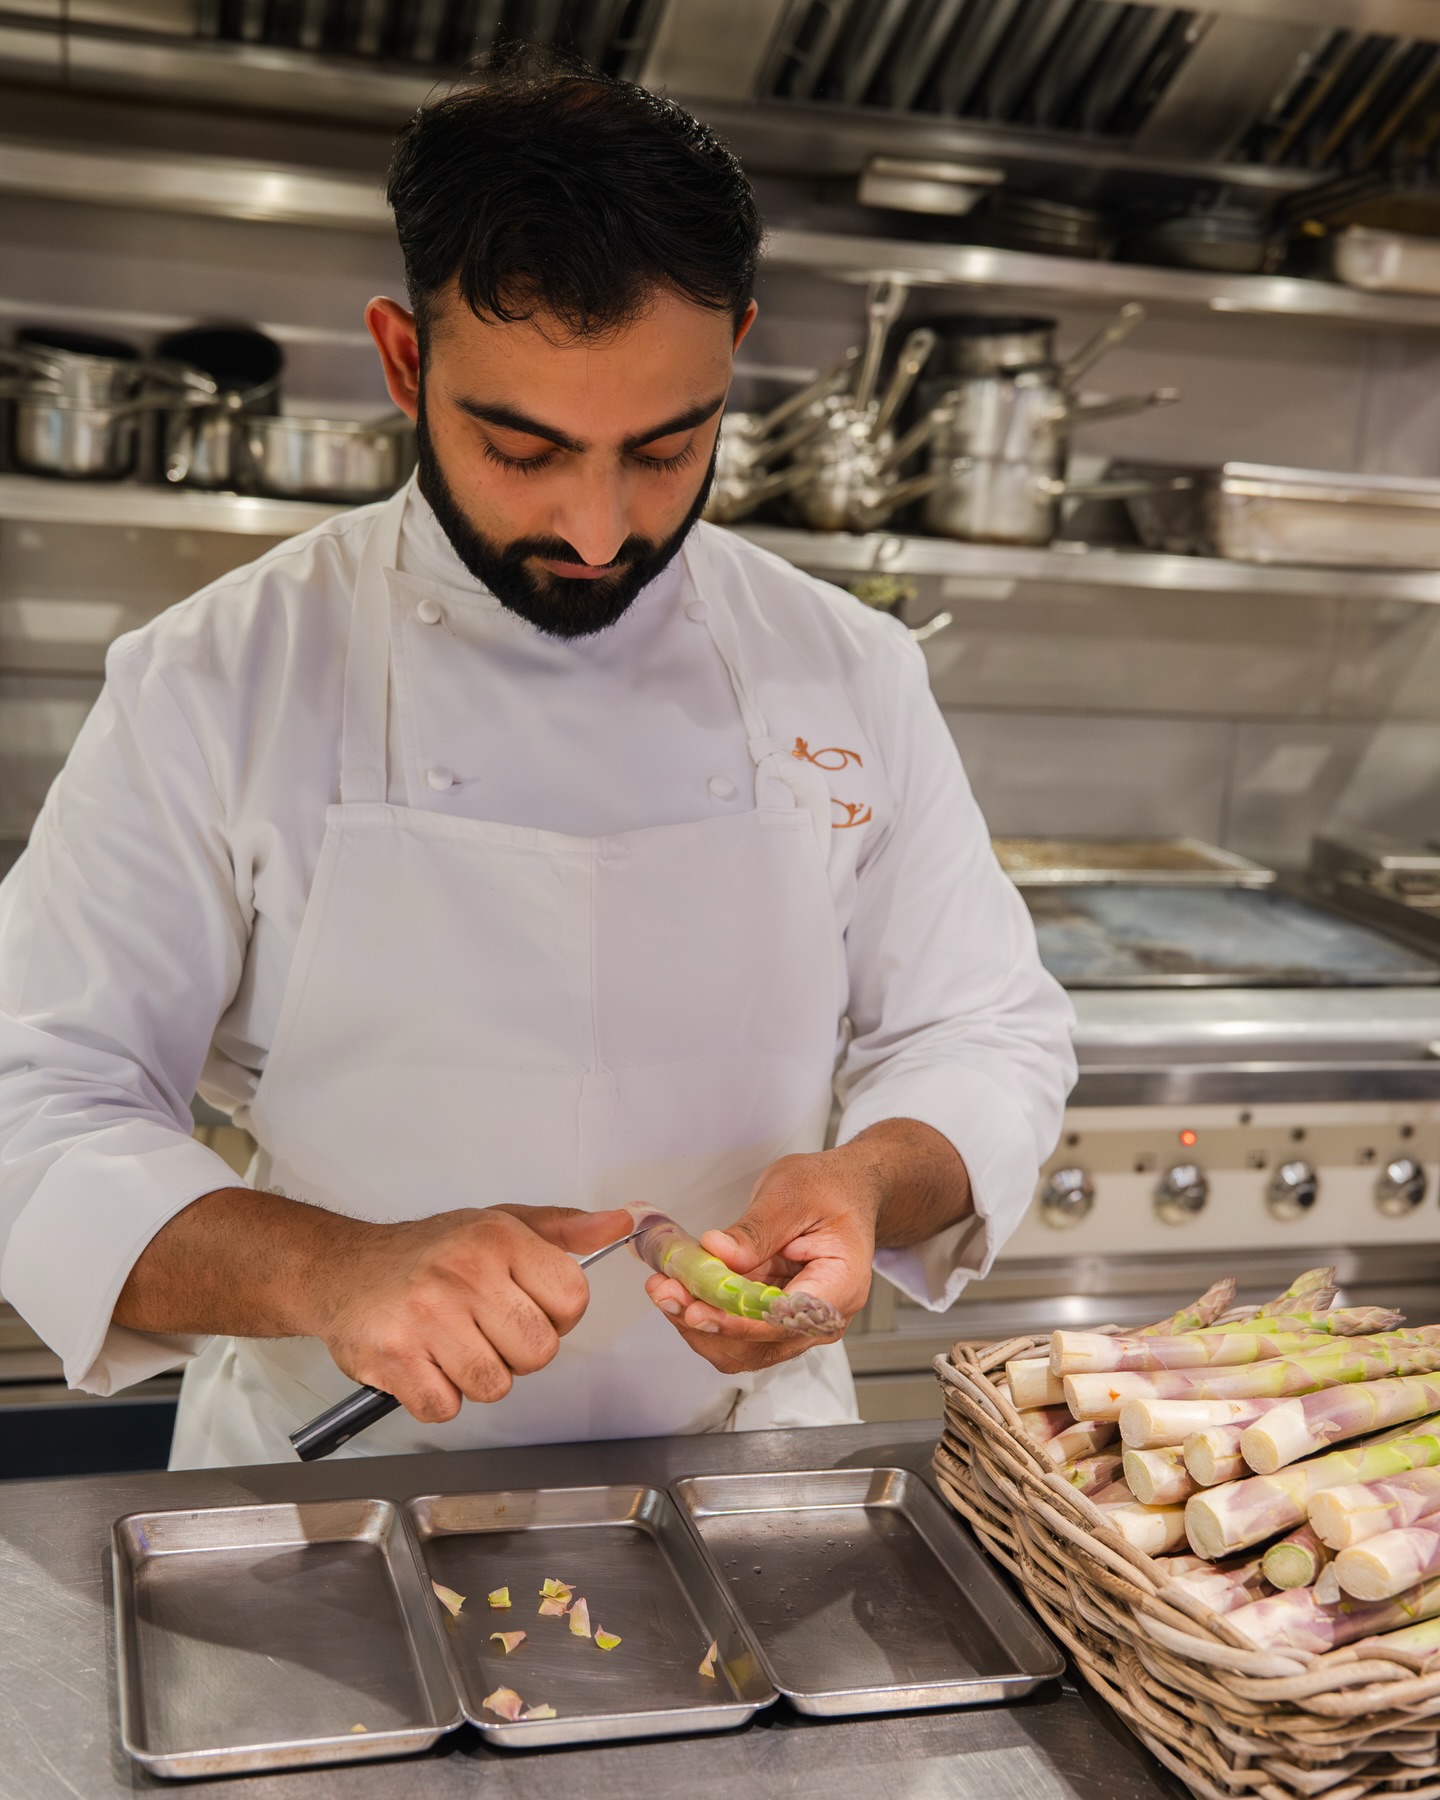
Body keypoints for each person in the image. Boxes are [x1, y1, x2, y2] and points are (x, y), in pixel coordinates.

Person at [0, 48, 1075, 1467]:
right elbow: (36, 1110)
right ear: (404, 362)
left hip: (745, 1469)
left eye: (667, 446)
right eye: (522, 448)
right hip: (333, 1479)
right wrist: (331, 1270)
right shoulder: (217, 678)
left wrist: (872, 1180)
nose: (595, 528)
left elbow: (981, 1032)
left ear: (735, 354)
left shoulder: (847, 667)